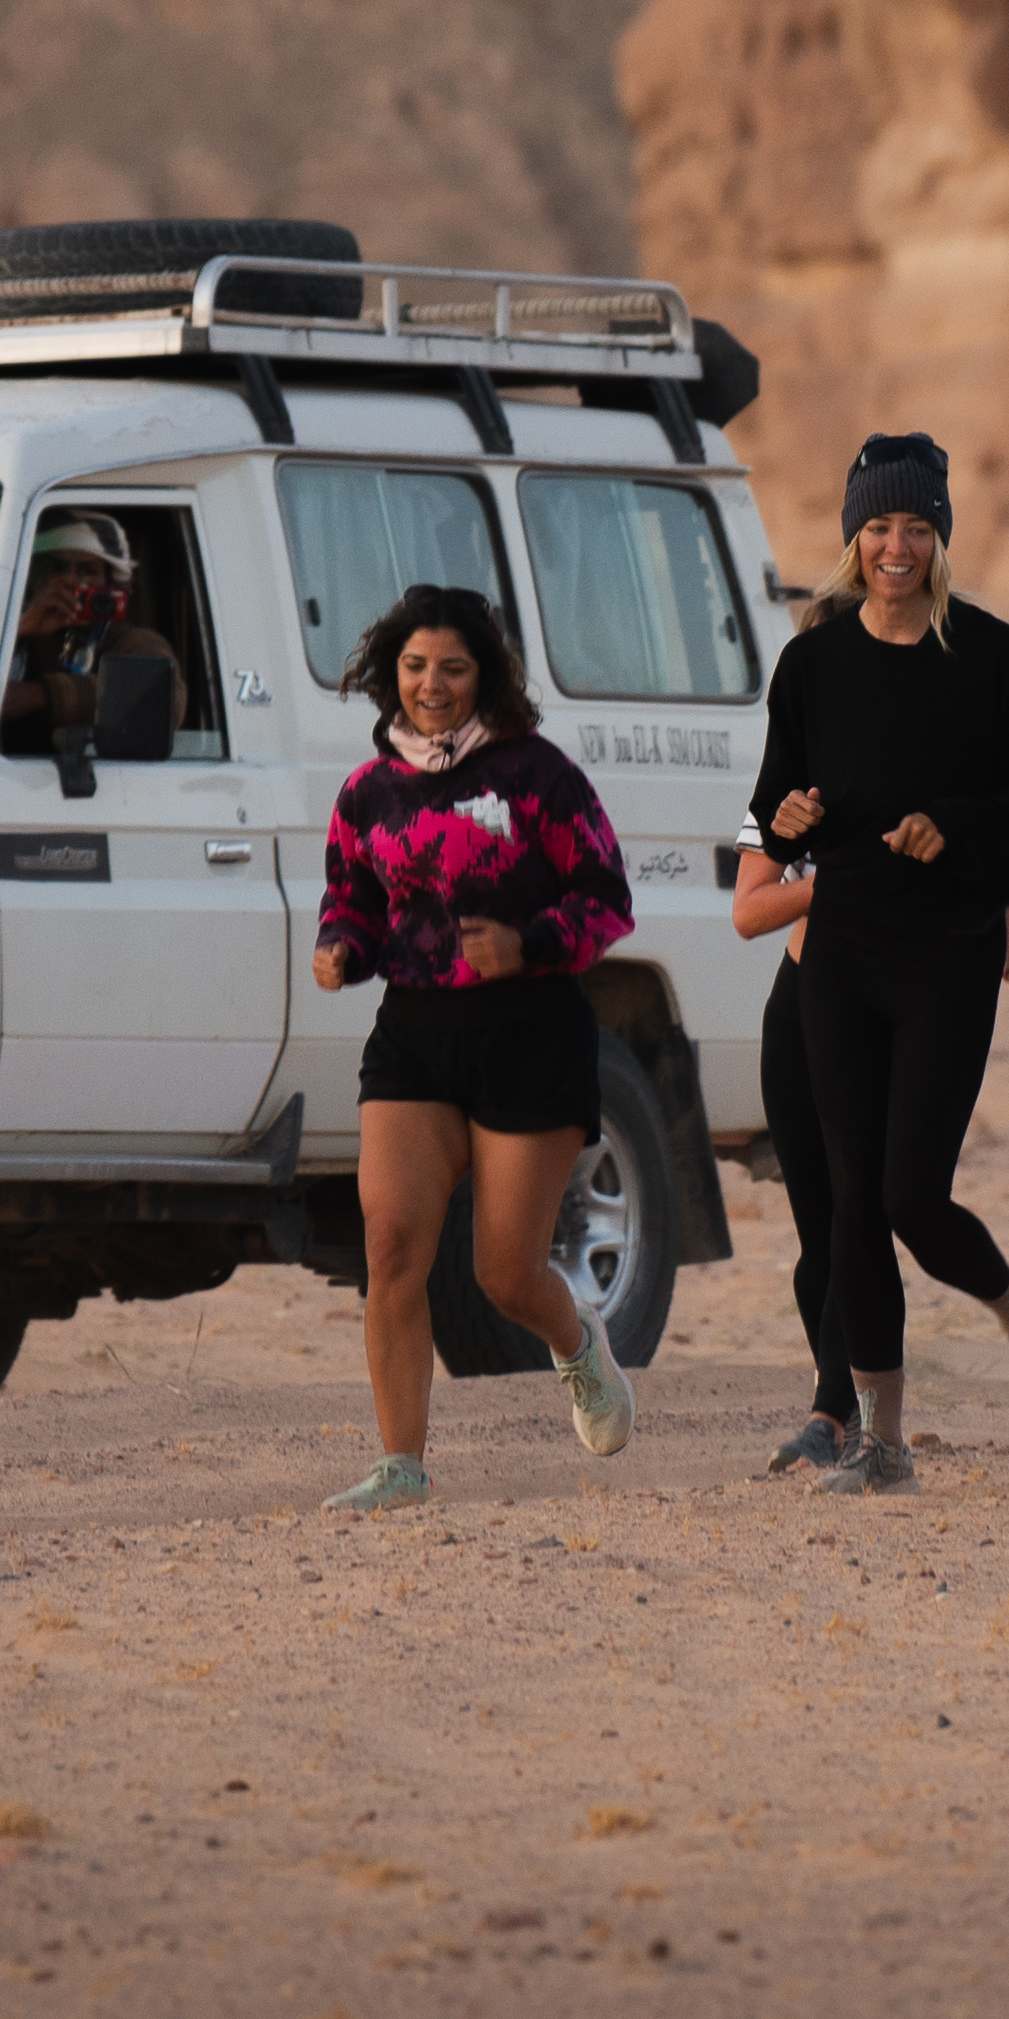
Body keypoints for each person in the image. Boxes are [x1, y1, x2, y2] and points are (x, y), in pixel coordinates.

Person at [749, 432, 1009, 1495]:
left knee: (911, 1197)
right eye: (877, 525)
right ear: (852, 535)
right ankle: (883, 1441)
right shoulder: (814, 657)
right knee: (855, 1205)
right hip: (842, 953)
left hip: (944, 958)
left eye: (915, 526)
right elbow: (776, 802)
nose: (895, 546)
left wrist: (949, 828)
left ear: (941, 534)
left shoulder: (989, 657)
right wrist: (792, 811)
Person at [310, 585, 640, 1513]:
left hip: (529, 1038)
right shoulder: (368, 789)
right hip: (415, 1038)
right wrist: (343, 948)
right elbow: (354, 899)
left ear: (483, 674)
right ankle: (401, 1467)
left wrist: (527, 944)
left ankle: (578, 1346)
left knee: (504, 1275)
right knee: (392, 1246)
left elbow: (607, 896)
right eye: (415, 668)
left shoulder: (537, 774)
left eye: (453, 668)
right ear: (391, 675)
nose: (432, 685)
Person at [733, 805, 1009, 1483]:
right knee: (819, 1238)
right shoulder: (799, 776)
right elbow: (749, 910)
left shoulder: (932, 752)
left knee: (872, 1206)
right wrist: (843, 882)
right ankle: (849, 1414)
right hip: (802, 1009)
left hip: (901, 1006)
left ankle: (837, 1420)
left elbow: (986, 866)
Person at [0, 509, 184, 760]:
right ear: (31, 578)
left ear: (111, 584)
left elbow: (164, 700)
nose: (71, 581)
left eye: (87, 570)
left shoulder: (132, 642)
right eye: (55, 568)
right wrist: (16, 630)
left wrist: (38, 695)